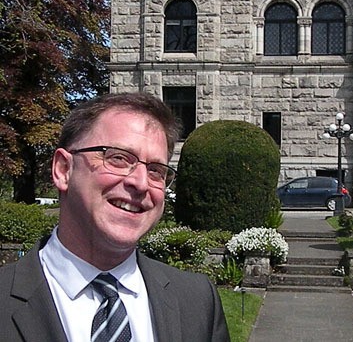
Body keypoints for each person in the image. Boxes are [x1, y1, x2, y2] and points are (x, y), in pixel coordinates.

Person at [0, 92, 230, 342]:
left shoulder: (197, 301)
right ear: (64, 169)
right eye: (118, 158)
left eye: (156, 171)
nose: (141, 183)